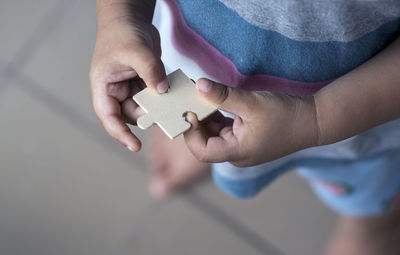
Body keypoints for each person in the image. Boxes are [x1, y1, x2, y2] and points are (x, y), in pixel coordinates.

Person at [89, 0, 400, 254]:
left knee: (369, 197)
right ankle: (194, 121)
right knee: (183, 103)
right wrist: (119, 18)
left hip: (359, 110)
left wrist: (316, 119)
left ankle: (370, 225)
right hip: (190, 52)